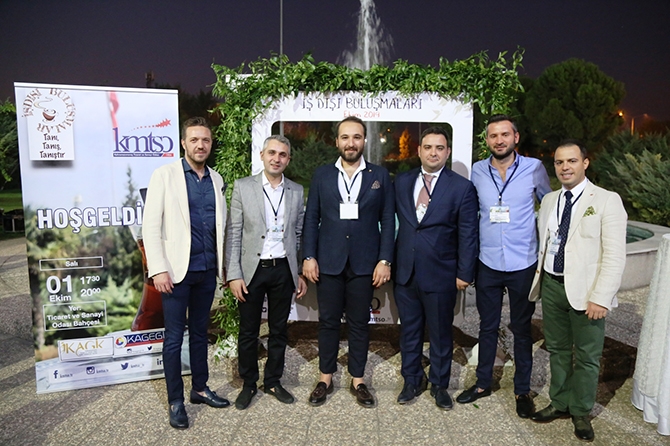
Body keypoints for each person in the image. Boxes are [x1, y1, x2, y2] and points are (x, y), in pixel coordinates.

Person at [529, 140, 627, 442]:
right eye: (559, 162)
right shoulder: (549, 200)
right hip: (552, 285)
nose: (565, 167)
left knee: (586, 356)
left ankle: (581, 411)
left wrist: (601, 297)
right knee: (557, 350)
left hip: (587, 293)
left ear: (585, 163)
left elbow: (614, 255)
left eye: (572, 161)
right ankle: (559, 402)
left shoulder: (607, 200)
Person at [457, 114, 551, 418]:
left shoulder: (534, 168)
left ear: (516, 137)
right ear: (487, 140)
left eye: (504, 135)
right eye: (493, 136)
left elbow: (549, 207)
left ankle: (522, 390)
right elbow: (470, 214)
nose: (499, 140)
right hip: (488, 262)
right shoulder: (477, 170)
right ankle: (483, 383)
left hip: (524, 261)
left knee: (522, 329)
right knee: (487, 326)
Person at [143, 117, 230, 429]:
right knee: (173, 338)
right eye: (194, 140)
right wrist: (158, 269)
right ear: (183, 143)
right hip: (175, 273)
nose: (200, 145)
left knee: (200, 334)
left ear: (210, 144)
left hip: (206, 271)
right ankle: (175, 401)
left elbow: (220, 226)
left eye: (205, 140)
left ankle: (200, 389)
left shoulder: (216, 179)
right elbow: (150, 226)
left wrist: (222, 267)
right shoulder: (165, 175)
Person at [302, 116, 394, 408]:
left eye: (356, 137)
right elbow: (311, 218)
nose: (350, 143)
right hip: (328, 261)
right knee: (328, 322)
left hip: (365, 263)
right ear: (337, 141)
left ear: (364, 140)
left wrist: (385, 260)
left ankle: (358, 380)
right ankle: (325, 378)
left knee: (359, 324)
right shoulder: (322, 175)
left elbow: (387, 221)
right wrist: (308, 256)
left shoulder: (379, 175)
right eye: (345, 137)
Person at [393, 126, 478, 409]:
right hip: (406, 273)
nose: (433, 153)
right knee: (409, 331)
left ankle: (440, 385)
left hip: (442, 274)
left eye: (439, 148)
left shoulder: (461, 187)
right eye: (428, 147)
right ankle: (411, 380)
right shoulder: (402, 181)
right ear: (419, 151)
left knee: (441, 334)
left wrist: (464, 273)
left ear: (447, 152)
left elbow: (468, 233)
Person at [225, 135, 307, 410]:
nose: (276, 158)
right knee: (248, 331)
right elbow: (234, 233)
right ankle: (249, 383)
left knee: (279, 330)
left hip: (283, 268)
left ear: (288, 159)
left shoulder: (296, 190)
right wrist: (233, 274)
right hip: (252, 270)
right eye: (272, 153)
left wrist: (298, 272)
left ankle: (272, 380)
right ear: (262, 155)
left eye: (282, 154)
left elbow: (298, 233)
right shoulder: (243, 187)